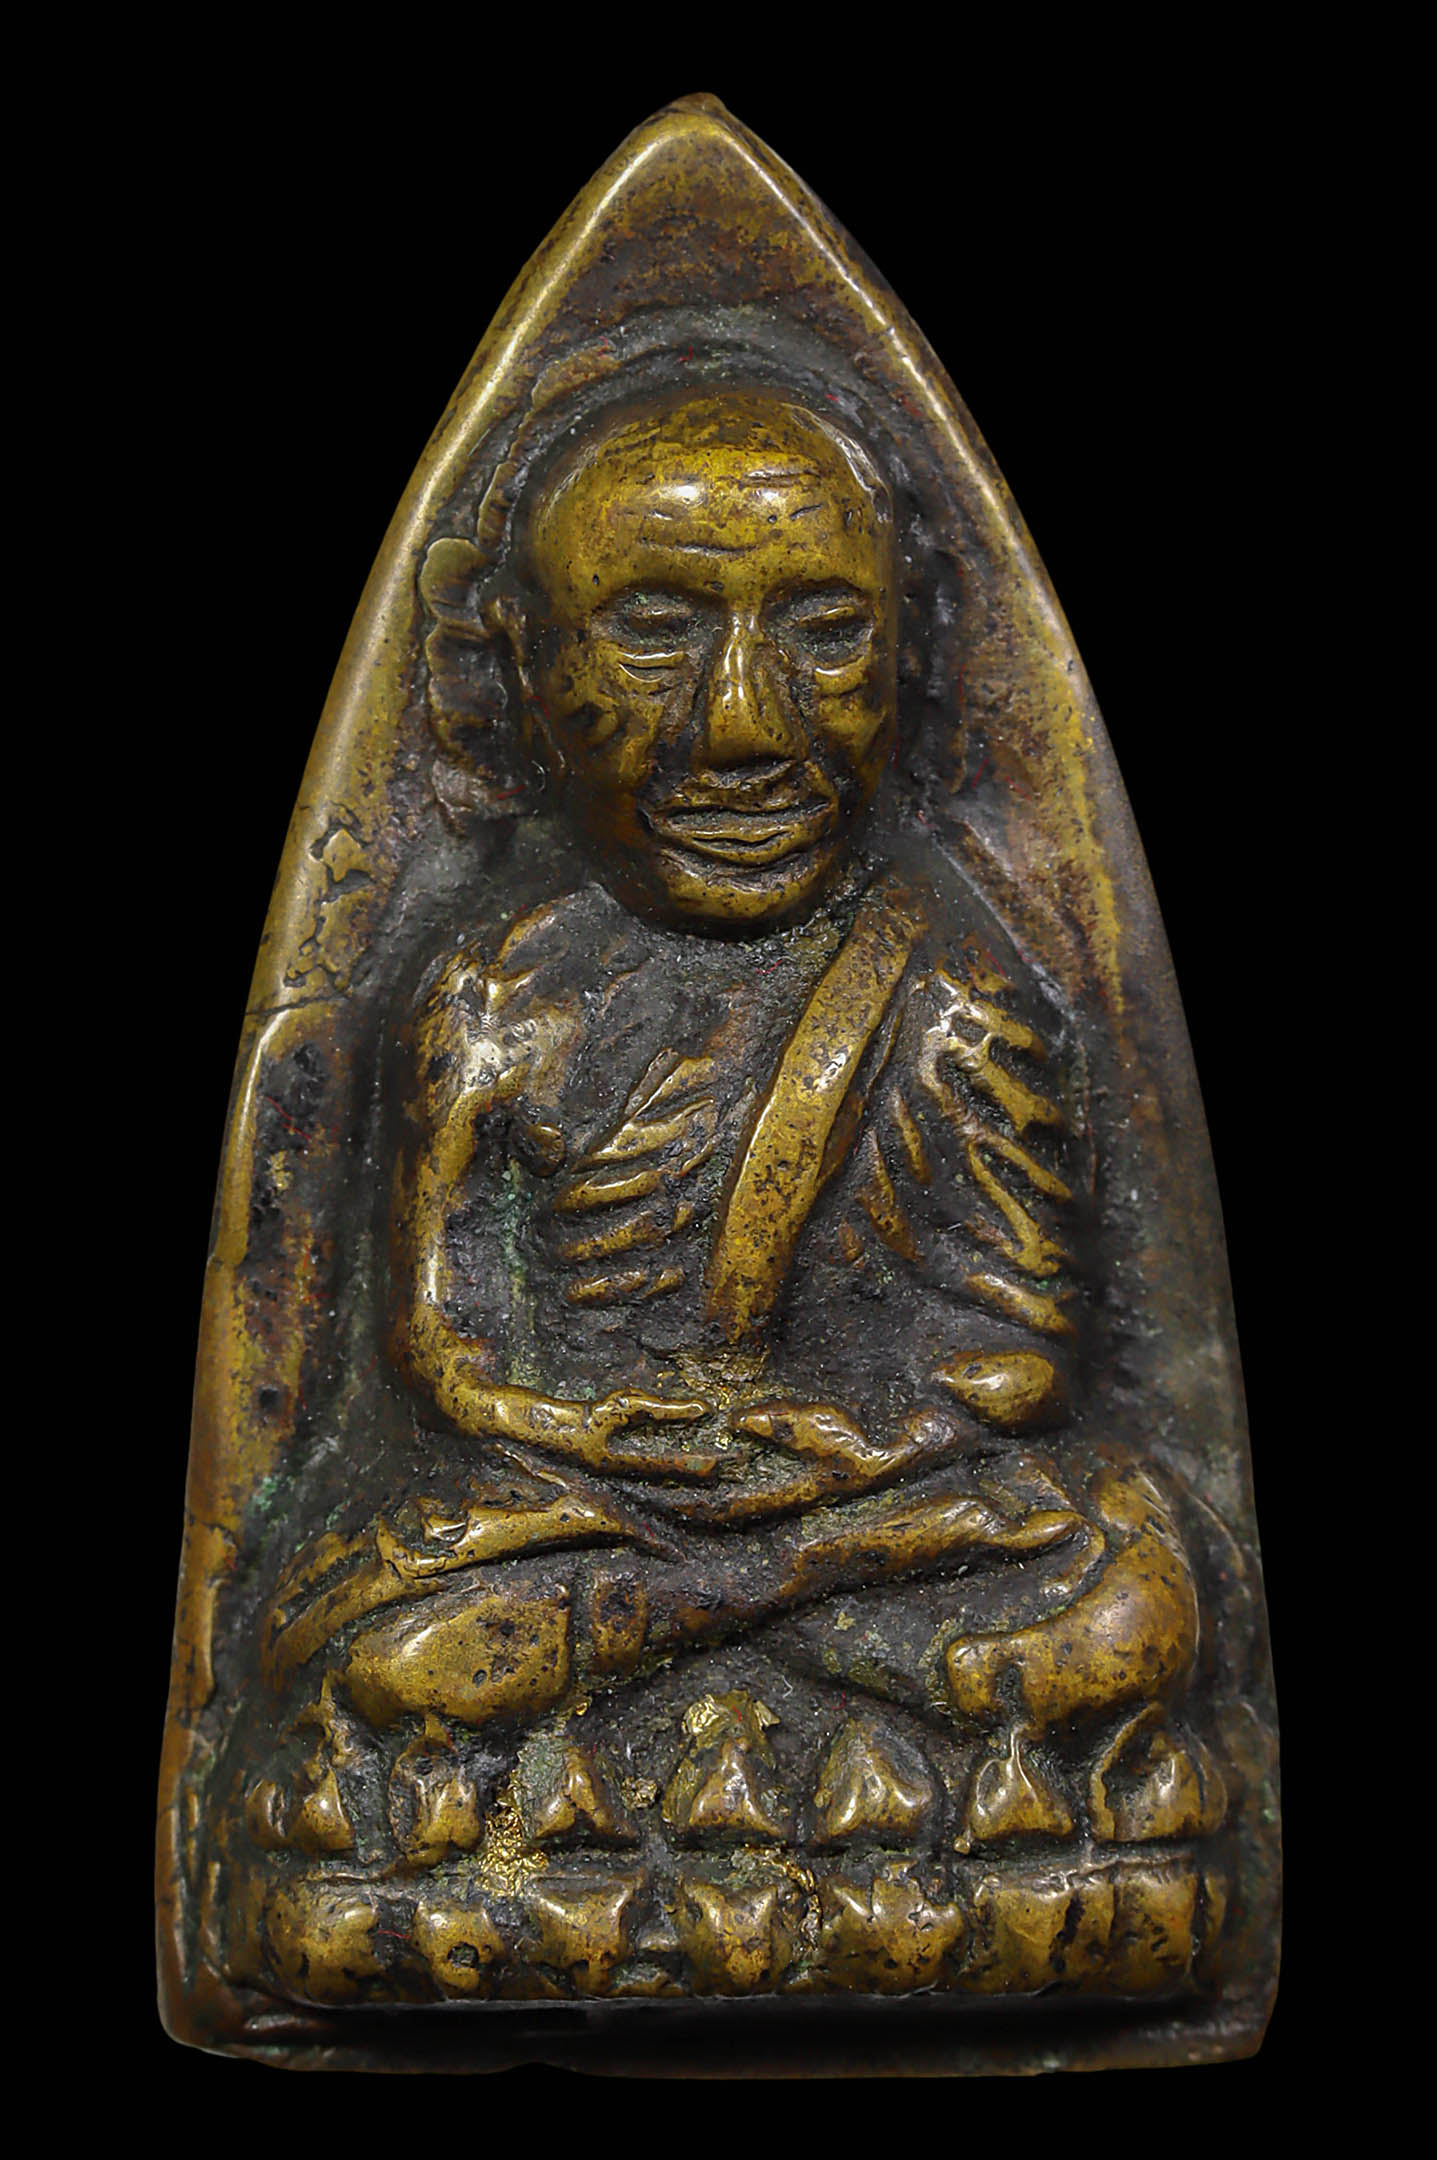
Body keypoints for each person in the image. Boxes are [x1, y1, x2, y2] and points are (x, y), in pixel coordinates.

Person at [226, 388, 1233, 2005]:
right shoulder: (490, 989)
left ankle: (610, 1784)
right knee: (364, 1631)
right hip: (579, 1515)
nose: (747, 727)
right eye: (653, 635)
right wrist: (584, 1433)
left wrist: (850, 1454)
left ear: (911, 663)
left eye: (826, 635)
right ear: (516, 671)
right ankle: (856, 1773)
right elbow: (434, 1350)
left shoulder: (950, 988)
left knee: (1126, 1578)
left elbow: (1020, 1353)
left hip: (868, 1515)